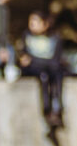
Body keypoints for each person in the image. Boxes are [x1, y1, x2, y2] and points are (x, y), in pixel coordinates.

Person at [14, 9, 69, 139]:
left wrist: (34, 60)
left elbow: (55, 60)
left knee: (57, 73)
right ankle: (47, 110)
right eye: (30, 21)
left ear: (45, 24)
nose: (32, 24)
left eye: (36, 21)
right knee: (44, 75)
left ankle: (57, 109)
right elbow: (24, 60)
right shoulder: (26, 37)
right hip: (38, 71)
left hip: (51, 70)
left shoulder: (55, 38)